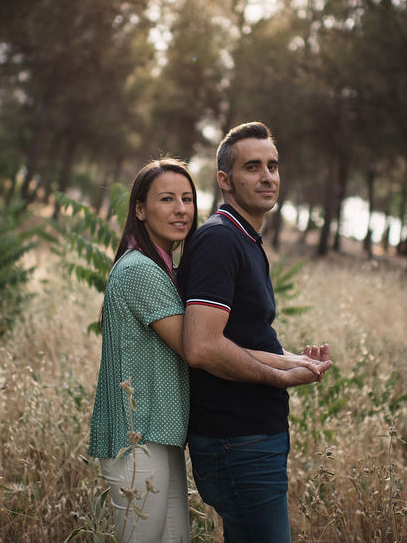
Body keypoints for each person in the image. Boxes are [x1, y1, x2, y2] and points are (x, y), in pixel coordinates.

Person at [178, 121, 332, 542]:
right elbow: (202, 347)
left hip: (249, 437)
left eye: (273, 166)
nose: (267, 177)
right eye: (252, 167)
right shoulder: (220, 241)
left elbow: (241, 340)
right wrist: (281, 377)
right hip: (237, 440)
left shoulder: (244, 239)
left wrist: (294, 362)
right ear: (225, 180)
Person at [87, 158, 199, 542]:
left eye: (187, 198)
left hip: (160, 433)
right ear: (139, 208)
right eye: (167, 199)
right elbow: (194, 345)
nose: (181, 209)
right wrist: (278, 362)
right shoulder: (140, 269)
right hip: (138, 440)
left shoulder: (162, 267)